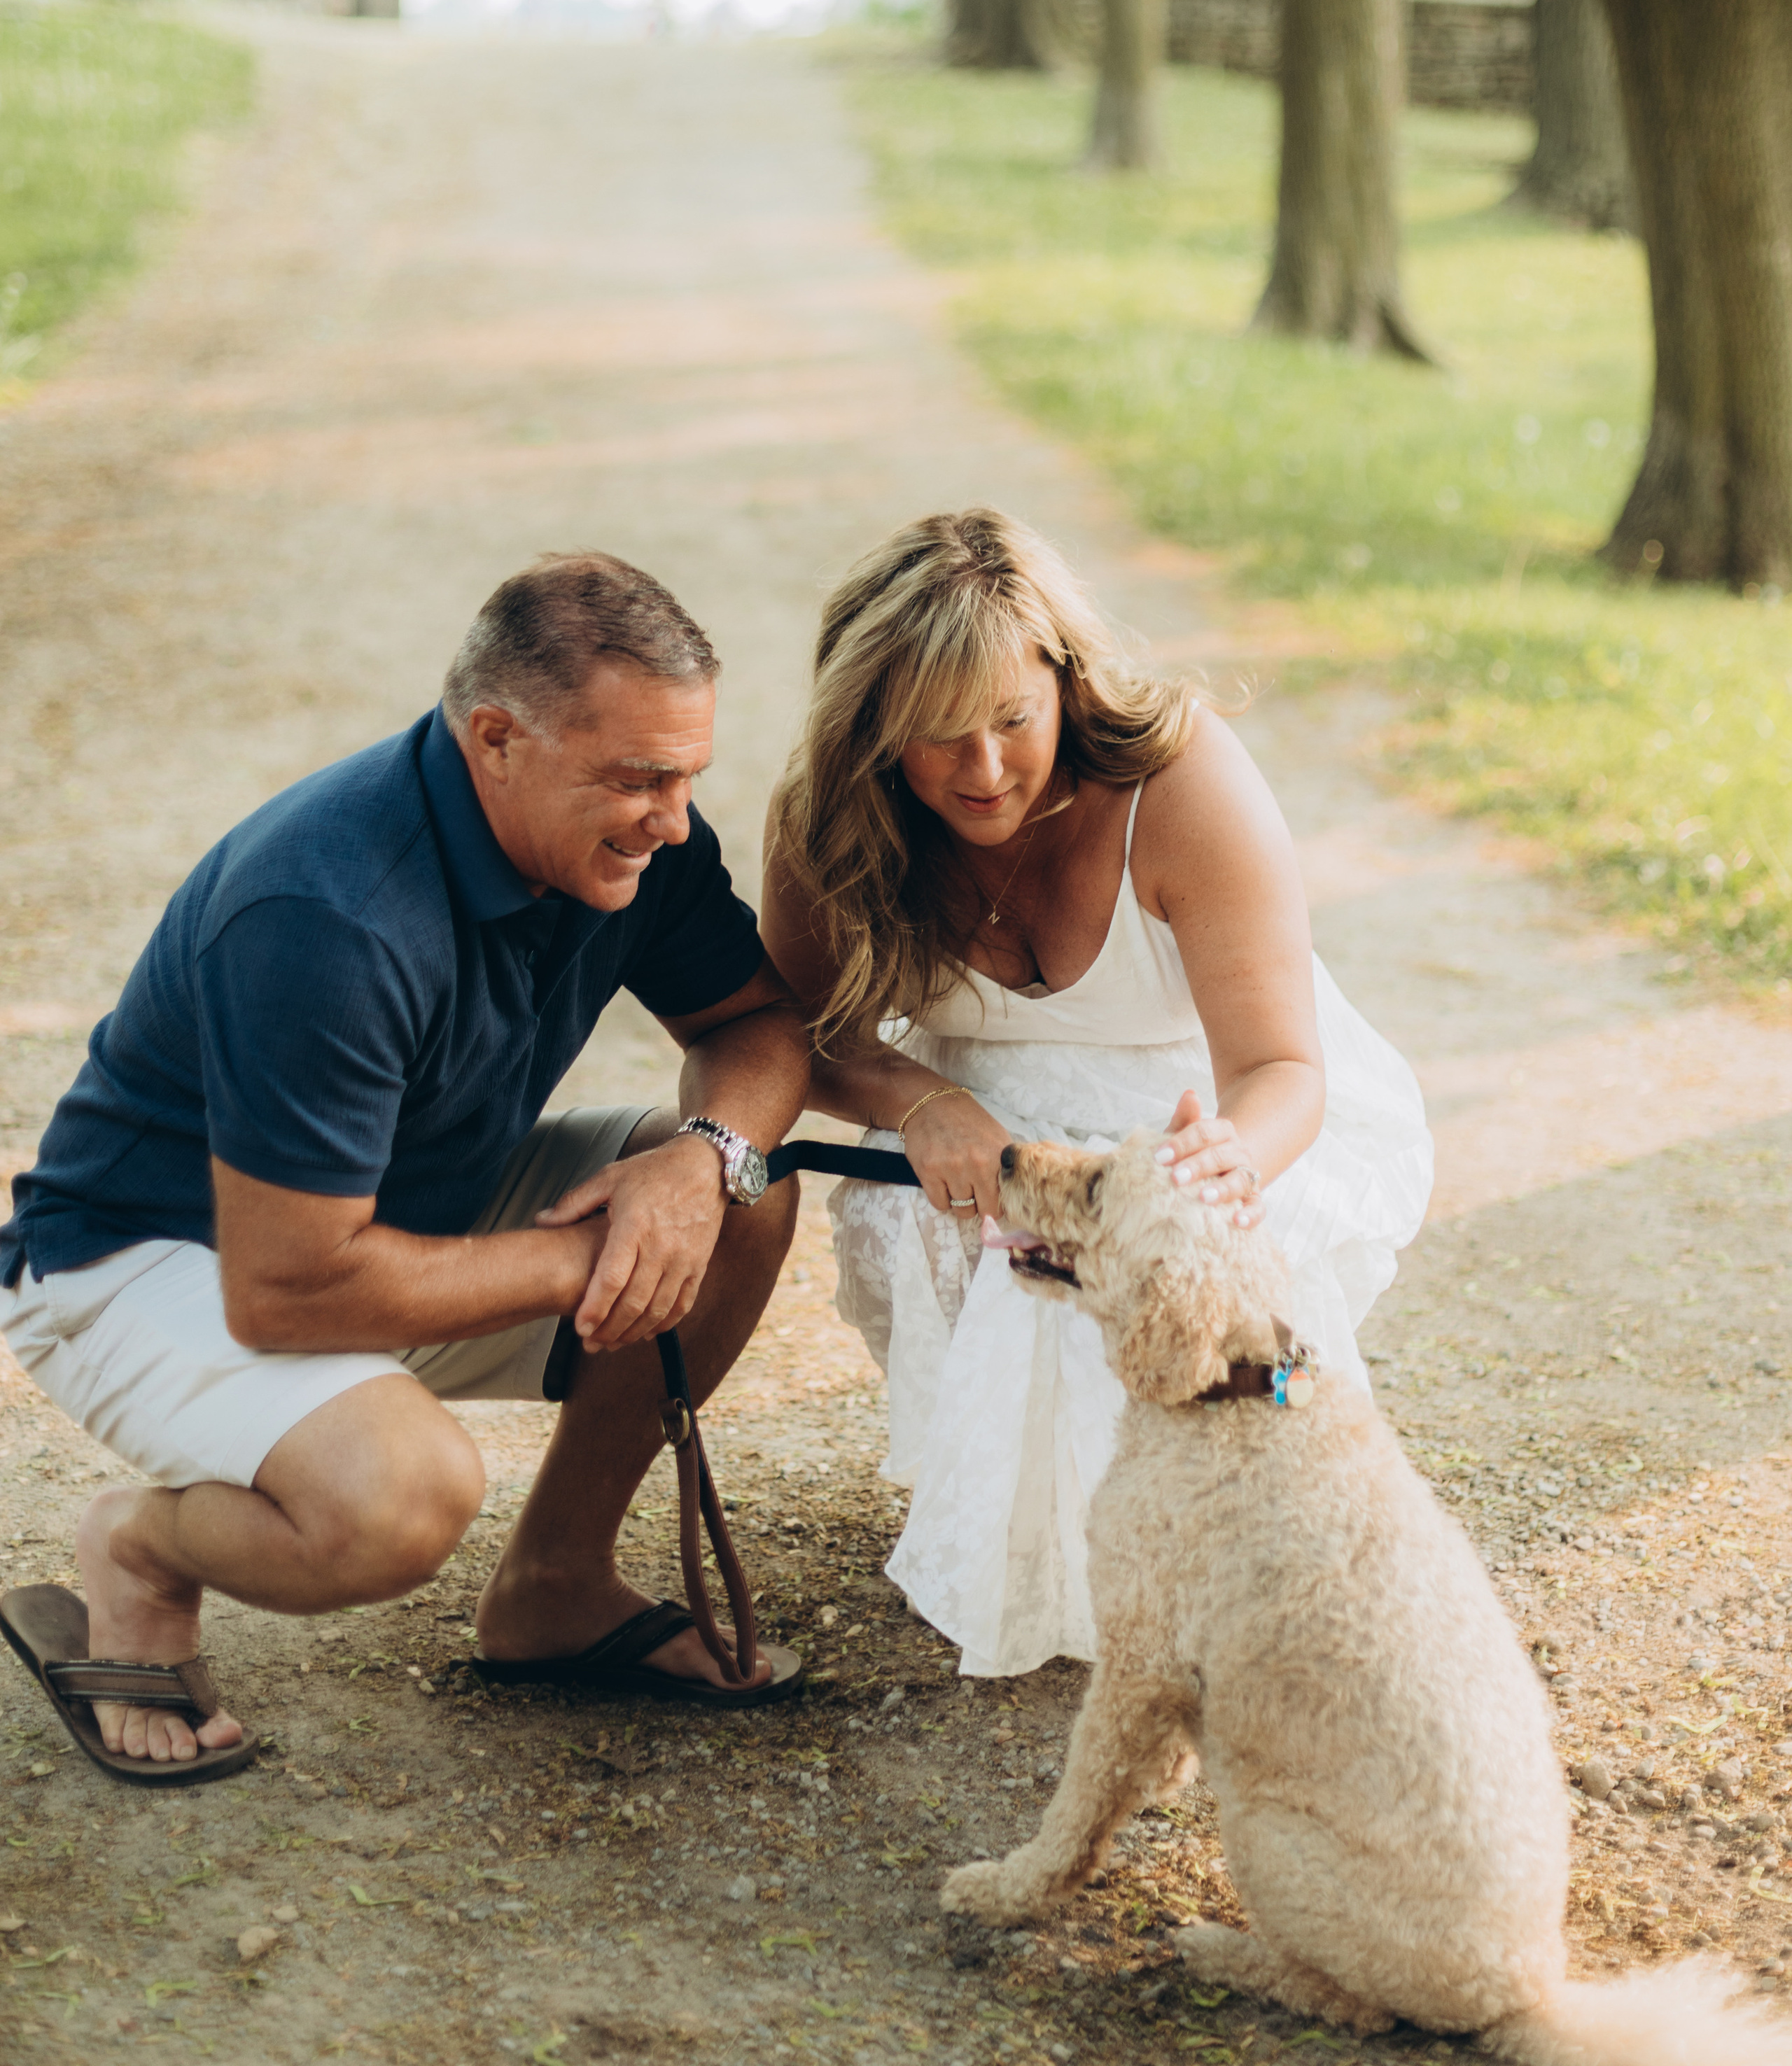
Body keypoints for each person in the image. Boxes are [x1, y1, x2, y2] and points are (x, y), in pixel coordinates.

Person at [0, 552, 808, 1783]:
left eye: (687, 774)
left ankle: (556, 1588)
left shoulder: (639, 839)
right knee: (399, 1500)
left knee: (751, 1194)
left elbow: (756, 1028)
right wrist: (596, 1252)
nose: (673, 818)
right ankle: (144, 1553)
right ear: (496, 738)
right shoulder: (326, 910)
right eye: (640, 778)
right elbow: (288, 1294)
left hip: (393, 1217)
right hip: (159, 1259)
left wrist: (705, 1159)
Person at [762, 508, 1433, 1680]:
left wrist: (1227, 1160)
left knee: (1160, 1251)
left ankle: (1213, 1548)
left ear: (1065, 678)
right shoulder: (824, 820)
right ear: (872, 731)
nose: (982, 771)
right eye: (935, 737)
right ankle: (1026, 1541)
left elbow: (1283, 1067)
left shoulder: (1179, 778)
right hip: (978, 1109)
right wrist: (919, 1100)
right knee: (977, 1232)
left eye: (1013, 720)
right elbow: (793, 1037)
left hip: (1205, 1095)